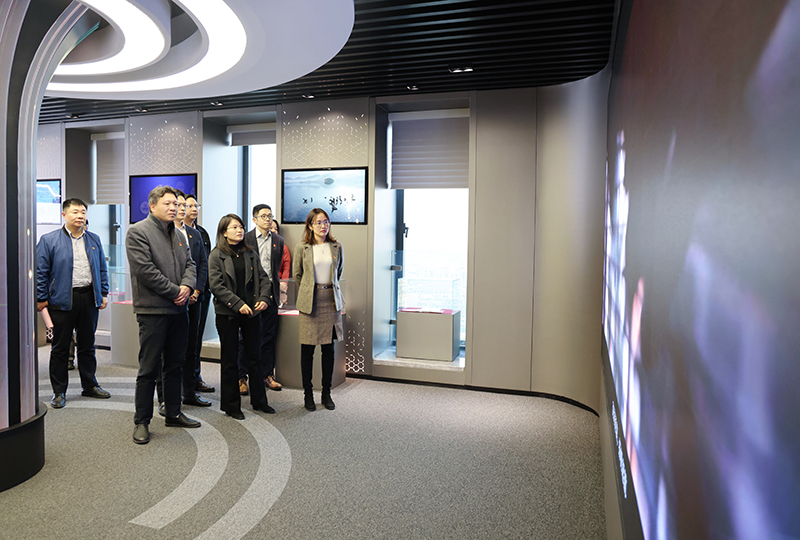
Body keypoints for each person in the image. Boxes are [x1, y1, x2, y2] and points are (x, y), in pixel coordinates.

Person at [126, 185, 200, 445]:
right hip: (153, 311)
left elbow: (190, 264)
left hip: (179, 310)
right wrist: (175, 291)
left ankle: (173, 412)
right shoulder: (137, 232)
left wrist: (187, 287)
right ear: (152, 206)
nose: (174, 208)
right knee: (149, 368)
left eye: (176, 204)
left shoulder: (179, 233)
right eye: (168, 203)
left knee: (175, 364)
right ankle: (142, 421)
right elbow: (144, 270)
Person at [36, 199, 111, 408]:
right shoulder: (49, 240)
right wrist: (41, 298)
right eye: (75, 212)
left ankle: (90, 386)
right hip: (61, 300)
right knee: (60, 348)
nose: (80, 216)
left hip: (88, 298)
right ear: (64, 215)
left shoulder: (93, 239)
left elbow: (102, 268)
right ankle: (59, 391)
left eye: (83, 212)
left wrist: (103, 292)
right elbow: (41, 272)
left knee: (87, 346)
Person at [208, 214, 275, 419]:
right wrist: (238, 305)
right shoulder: (216, 255)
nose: (239, 230)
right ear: (224, 232)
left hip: (252, 312)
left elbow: (264, 278)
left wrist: (264, 298)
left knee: (254, 357)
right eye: (234, 227)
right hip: (228, 313)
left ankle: (260, 401)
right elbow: (216, 286)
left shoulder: (250, 253)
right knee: (230, 360)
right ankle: (231, 406)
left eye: (241, 227)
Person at [155, 191, 211, 415]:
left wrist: (195, 290)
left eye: (182, 205)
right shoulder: (161, 233)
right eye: (175, 204)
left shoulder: (194, 234)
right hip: (170, 299)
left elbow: (201, 264)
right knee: (167, 351)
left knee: (191, 347)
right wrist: (179, 292)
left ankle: (189, 391)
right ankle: (165, 397)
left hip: (193, 298)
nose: (179, 208)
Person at [293, 208, 344, 411]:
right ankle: (308, 394)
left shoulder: (336, 246)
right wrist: (309, 290)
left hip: (331, 301)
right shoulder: (302, 247)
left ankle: (326, 393)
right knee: (307, 351)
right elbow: (297, 274)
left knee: (328, 350)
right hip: (310, 302)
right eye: (318, 222)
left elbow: (338, 272)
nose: (323, 226)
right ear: (310, 225)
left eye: (326, 222)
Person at [237, 204, 285, 395]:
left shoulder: (278, 240)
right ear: (254, 219)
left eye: (270, 216)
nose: (268, 219)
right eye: (263, 216)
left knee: (268, 336)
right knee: (245, 338)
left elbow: (275, 268)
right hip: (251, 295)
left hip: (271, 295)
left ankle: (267, 375)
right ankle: (241, 377)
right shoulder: (246, 238)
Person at [184, 193, 215, 393]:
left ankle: (195, 378)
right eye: (190, 206)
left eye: (197, 206)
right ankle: (182, 382)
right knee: (183, 341)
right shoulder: (175, 232)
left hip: (201, 292)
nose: (194, 209)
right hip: (181, 294)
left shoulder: (201, 233)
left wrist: (199, 289)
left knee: (196, 340)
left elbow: (205, 262)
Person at [270, 218, 292, 308]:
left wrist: (283, 289)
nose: (274, 231)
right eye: (271, 228)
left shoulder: (283, 248)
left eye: (276, 229)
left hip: (278, 286)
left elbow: (286, 269)